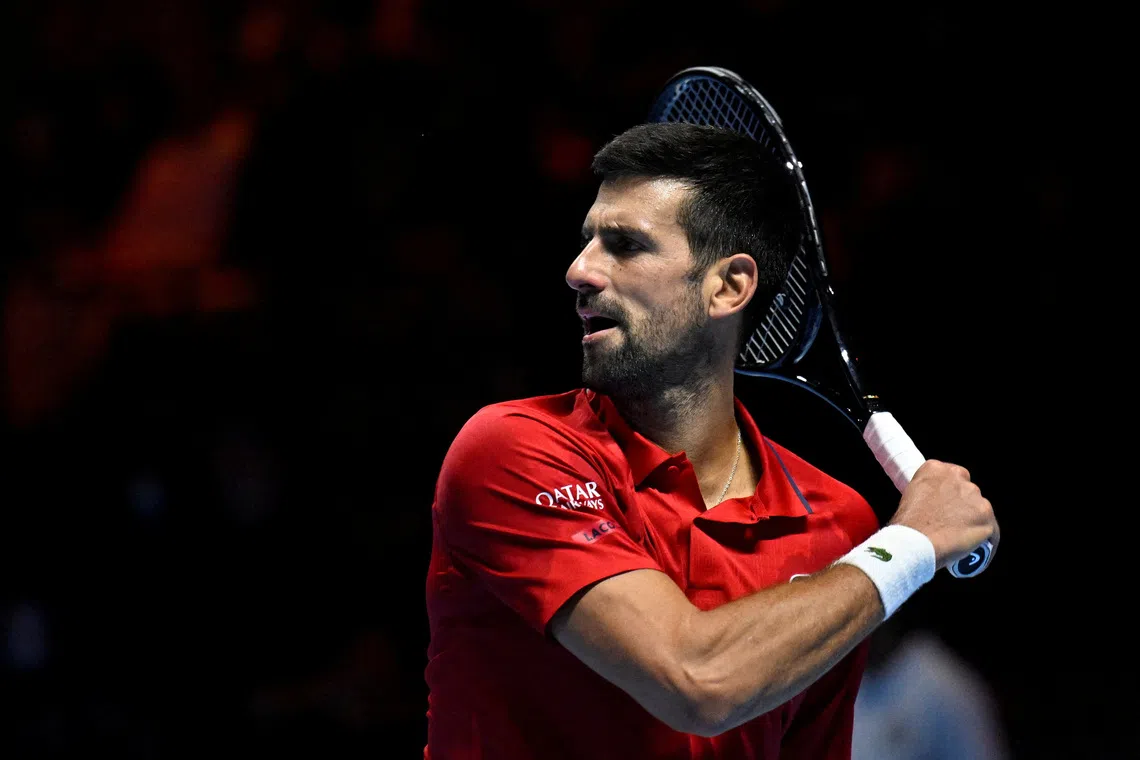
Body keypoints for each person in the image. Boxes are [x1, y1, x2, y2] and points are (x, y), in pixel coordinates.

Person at [423, 122, 999, 759]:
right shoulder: (514, 452)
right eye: (587, 241)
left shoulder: (840, 527)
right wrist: (910, 544)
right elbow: (695, 680)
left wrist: (883, 548)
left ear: (728, 286)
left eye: (625, 245)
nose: (578, 271)